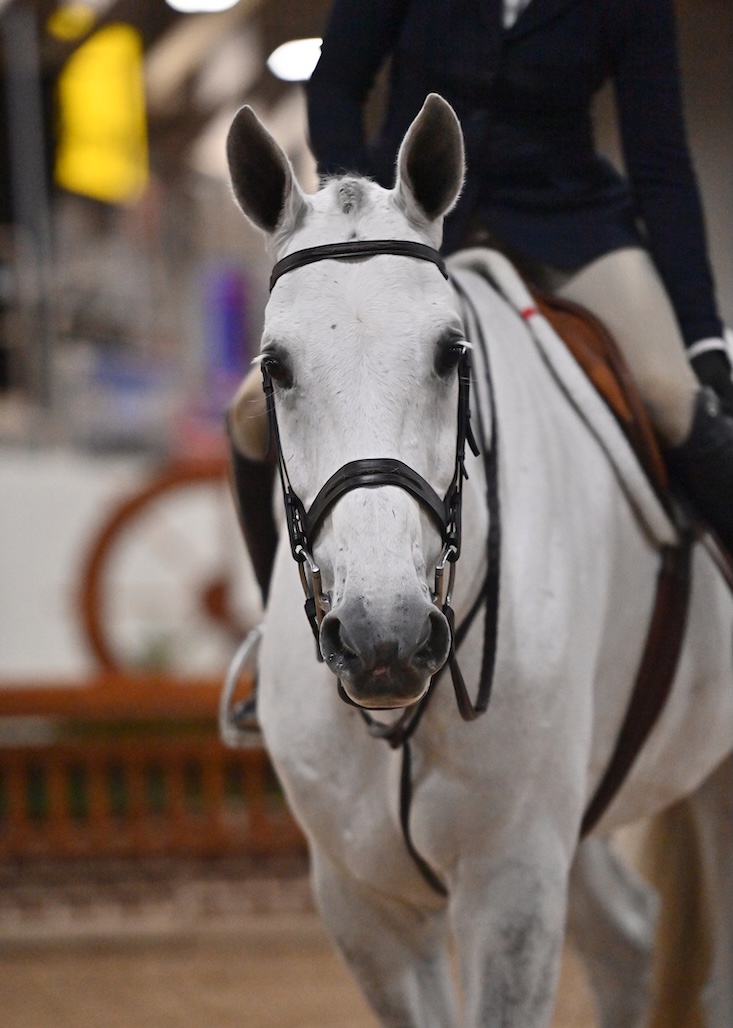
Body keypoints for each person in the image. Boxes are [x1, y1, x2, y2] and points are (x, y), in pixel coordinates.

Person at [230, 0, 733, 609]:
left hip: (569, 222)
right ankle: (268, 621)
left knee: (669, 394)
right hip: (409, 222)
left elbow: (662, 165)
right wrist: (367, 213)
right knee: (249, 411)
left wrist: (702, 334)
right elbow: (336, 82)